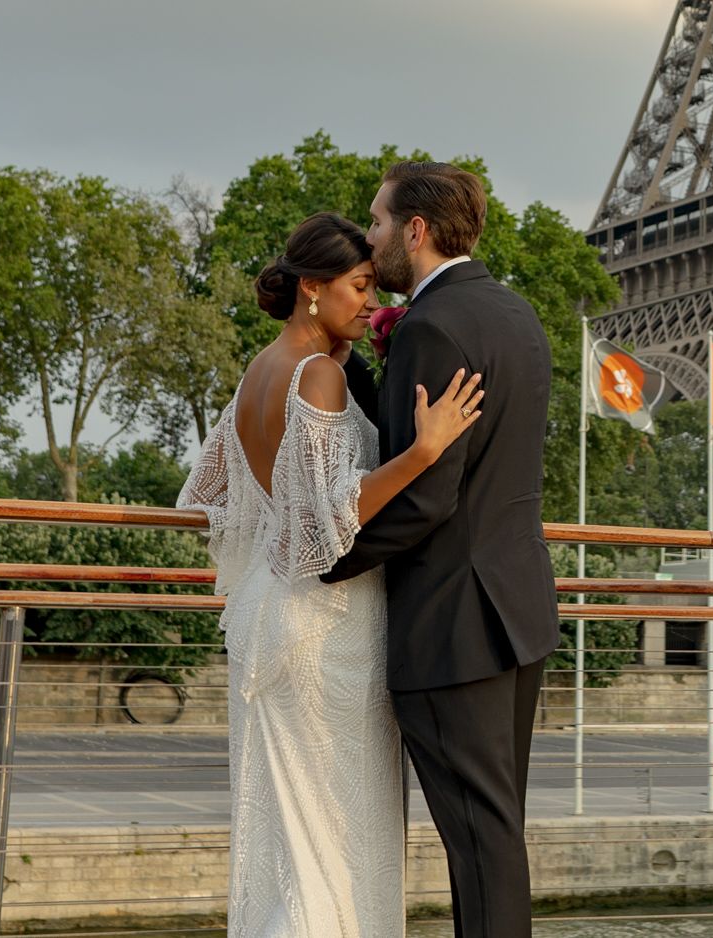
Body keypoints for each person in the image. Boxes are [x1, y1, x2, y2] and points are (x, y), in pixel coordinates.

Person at [177, 212, 483, 937]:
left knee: (293, 836)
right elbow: (325, 521)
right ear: (311, 288)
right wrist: (421, 453)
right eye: (357, 287)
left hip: (268, 615)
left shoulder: (261, 367)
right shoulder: (316, 374)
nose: (371, 304)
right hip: (324, 628)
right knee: (333, 840)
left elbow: (212, 492)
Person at [319, 161, 559, 938]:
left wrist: (325, 558)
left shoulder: (431, 327)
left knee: (478, 843)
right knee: (495, 834)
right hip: (516, 615)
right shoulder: (515, 313)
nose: (373, 237)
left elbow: (424, 494)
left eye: (379, 222)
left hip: (452, 626)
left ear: (415, 230)